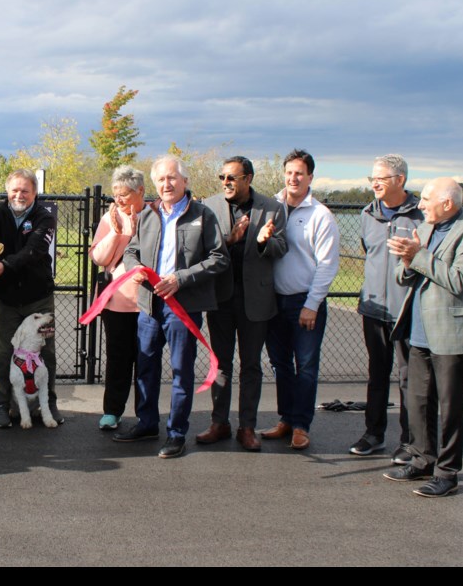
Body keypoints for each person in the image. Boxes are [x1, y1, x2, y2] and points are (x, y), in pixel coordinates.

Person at [114, 155, 228, 459]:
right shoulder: (148, 214)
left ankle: (177, 433)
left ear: (185, 181)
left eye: (173, 178)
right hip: (150, 307)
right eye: (162, 179)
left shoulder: (203, 215)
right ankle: (147, 423)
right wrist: (135, 268)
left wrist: (181, 278)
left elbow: (219, 258)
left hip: (183, 307)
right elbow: (131, 251)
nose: (167, 184)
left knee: (181, 371)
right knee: (146, 368)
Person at [383, 178, 463, 497]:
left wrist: (417, 255)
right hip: (419, 333)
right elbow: (407, 276)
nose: (420, 204)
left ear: (447, 203)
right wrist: (406, 259)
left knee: (450, 406)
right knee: (417, 402)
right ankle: (422, 460)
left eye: (427, 199)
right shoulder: (426, 229)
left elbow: (457, 280)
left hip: (452, 334)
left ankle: (447, 473)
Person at [199, 156, 287, 451]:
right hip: (221, 299)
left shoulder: (272, 208)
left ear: (248, 178)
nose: (226, 182)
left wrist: (263, 241)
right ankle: (219, 423)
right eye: (222, 177)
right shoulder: (209, 206)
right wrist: (231, 238)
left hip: (256, 300)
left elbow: (282, 247)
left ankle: (246, 427)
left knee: (251, 366)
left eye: (232, 177)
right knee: (220, 365)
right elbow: (202, 250)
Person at [349, 154, 429, 461]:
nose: (375, 184)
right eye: (372, 178)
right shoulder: (367, 214)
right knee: (377, 374)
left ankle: (410, 442)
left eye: (381, 178)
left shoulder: (421, 216)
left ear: (400, 180)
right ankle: (374, 434)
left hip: (408, 311)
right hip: (374, 311)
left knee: (410, 378)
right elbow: (369, 251)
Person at [0, 168, 63, 428]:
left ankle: (49, 403)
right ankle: (2, 404)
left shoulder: (44, 217)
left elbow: (34, 250)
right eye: (15, 190)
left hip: (39, 298)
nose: (19, 195)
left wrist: (3, 267)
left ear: (34, 193)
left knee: (47, 351)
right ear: (7, 191)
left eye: (25, 190)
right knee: (4, 350)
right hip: (6, 298)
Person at [261, 149, 340, 451]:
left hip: (304, 303)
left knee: (305, 366)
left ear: (310, 177)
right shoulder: (271, 206)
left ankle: (301, 425)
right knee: (280, 364)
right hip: (274, 302)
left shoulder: (321, 215)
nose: (293, 178)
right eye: (289, 172)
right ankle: (285, 419)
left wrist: (312, 303)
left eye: (300, 173)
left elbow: (327, 264)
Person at [89, 165, 146, 431]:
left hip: (147, 302)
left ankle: (146, 414)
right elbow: (100, 258)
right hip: (117, 302)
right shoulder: (109, 217)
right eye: (116, 193)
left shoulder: (155, 215)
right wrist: (115, 232)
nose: (119, 199)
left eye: (124, 194)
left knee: (147, 361)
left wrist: (135, 230)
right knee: (117, 360)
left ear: (140, 192)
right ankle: (112, 411)